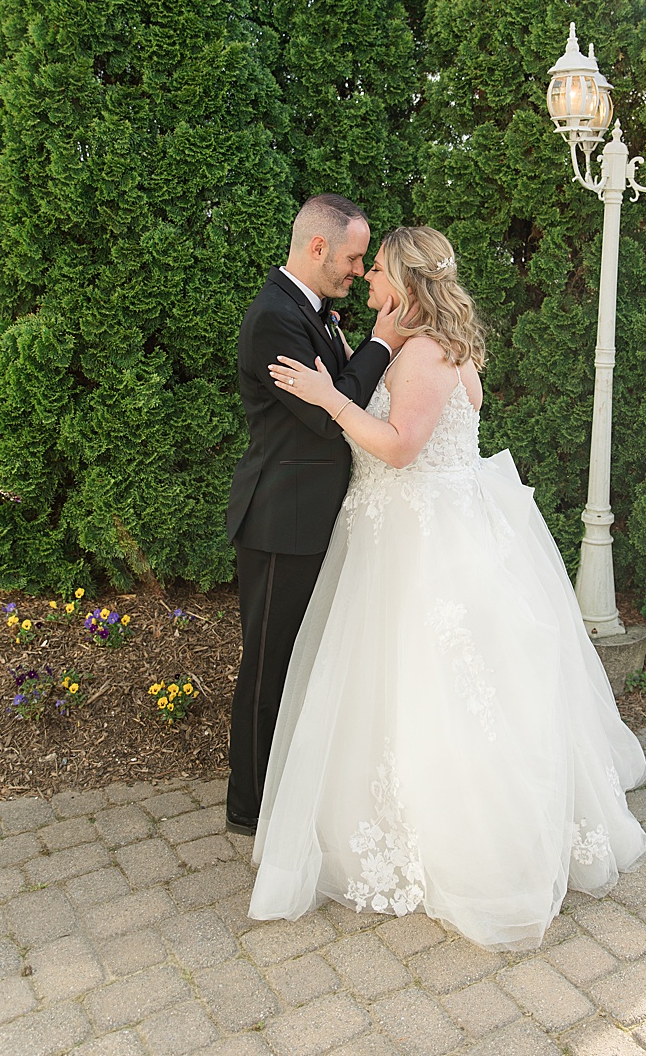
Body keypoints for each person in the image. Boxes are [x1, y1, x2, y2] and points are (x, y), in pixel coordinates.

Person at [246, 225, 646, 951]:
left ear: (403, 286)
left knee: (435, 686)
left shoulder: (430, 353)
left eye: (376, 274)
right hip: (415, 527)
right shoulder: (433, 347)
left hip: (418, 535)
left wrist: (330, 399)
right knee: (409, 684)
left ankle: (469, 841)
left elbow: (401, 449)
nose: (367, 282)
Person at [225, 194, 405, 837]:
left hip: (314, 516)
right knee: (270, 664)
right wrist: (383, 341)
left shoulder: (316, 313)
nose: (359, 270)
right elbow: (331, 416)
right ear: (318, 247)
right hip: (281, 519)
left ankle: (286, 785)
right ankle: (248, 808)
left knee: (304, 661)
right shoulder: (276, 318)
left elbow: (339, 389)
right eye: (355, 257)